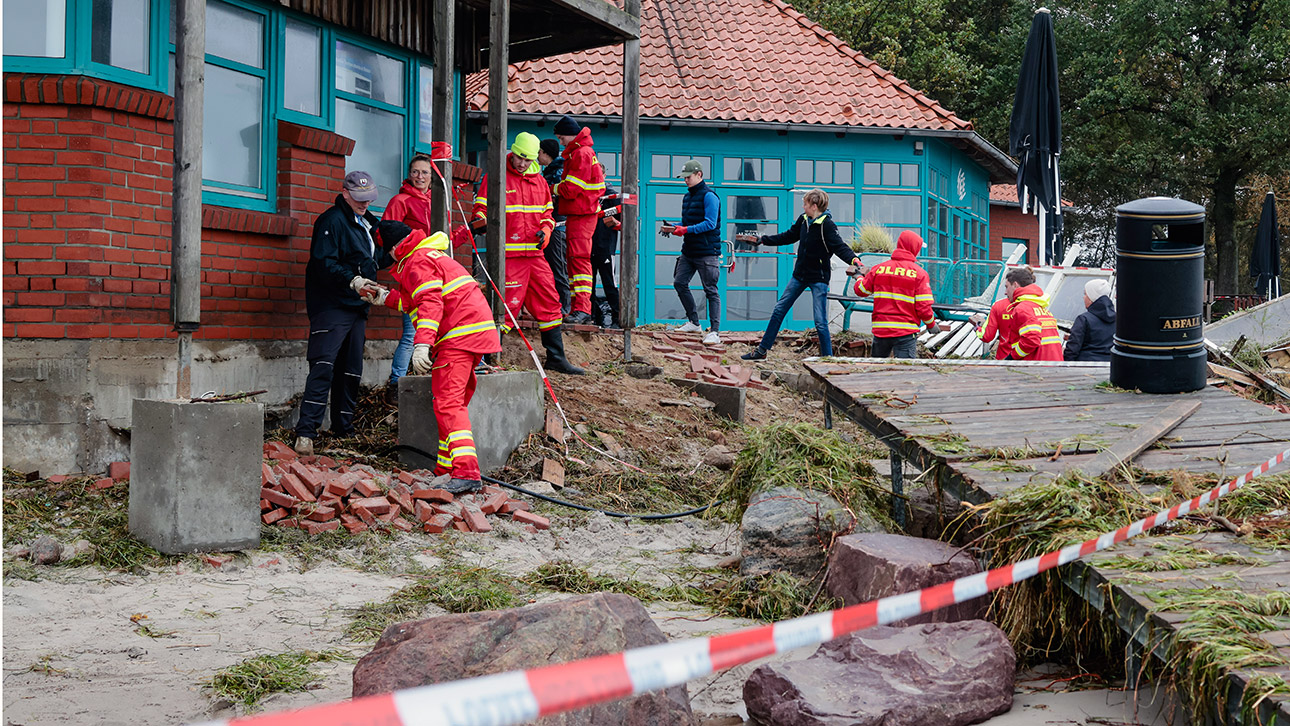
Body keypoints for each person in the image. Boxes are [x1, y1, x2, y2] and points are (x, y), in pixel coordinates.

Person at [361, 222, 501, 494]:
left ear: (392, 249)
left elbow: (429, 303)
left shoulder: (416, 262)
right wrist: (385, 297)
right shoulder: (427, 255)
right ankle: (446, 468)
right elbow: (415, 299)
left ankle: (466, 472)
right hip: (471, 333)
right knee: (451, 402)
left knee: (448, 403)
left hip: (457, 335)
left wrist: (422, 344)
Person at [294, 171, 394, 457]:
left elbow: (372, 259)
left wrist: (395, 255)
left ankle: (343, 430)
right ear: (346, 193)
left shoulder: (367, 222)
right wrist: (353, 280)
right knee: (323, 366)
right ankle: (306, 433)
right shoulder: (332, 221)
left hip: (357, 306)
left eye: (369, 199)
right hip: (332, 304)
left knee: (350, 370)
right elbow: (323, 263)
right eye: (360, 199)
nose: (365, 203)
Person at [471, 132, 585, 375]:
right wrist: (480, 222)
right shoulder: (496, 177)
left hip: (534, 256)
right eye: (519, 158)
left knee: (550, 303)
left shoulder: (540, 181)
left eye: (528, 159)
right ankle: (489, 359)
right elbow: (480, 208)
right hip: (508, 257)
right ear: (512, 152)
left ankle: (556, 358)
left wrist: (545, 228)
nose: (522, 164)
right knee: (506, 307)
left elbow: (548, 214)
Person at [739, 189, 861, 359]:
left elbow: (840, 247)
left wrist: (855, 260)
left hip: (819, 278)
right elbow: (789, 236)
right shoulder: (803, 220)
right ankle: (762, 351)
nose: (803, 207)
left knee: (820, 322)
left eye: (805, 204)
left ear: (814, 206)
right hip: (799, 275)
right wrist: (763, 240)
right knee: (779, 309)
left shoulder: (827, 225)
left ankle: (828, 359)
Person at [381, 152, 435, 386]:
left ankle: (424, 376)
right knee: (412, 329)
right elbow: (384, 235)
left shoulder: (437, 201)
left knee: (435, 324)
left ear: (432, 176)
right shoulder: (400, 201)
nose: (419, 176)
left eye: (425, 172)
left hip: (435, 268)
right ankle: (397, 381)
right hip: (413, 272)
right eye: (415, 172)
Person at [850, 230, 940, 358]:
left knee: (876, 371)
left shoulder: (879, 269)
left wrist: (859, 278)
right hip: (905, 332)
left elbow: (861, 291)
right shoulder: (919, 274)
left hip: (881, 330)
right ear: (913, 248)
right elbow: (923, 307)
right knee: (905, 371)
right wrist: (931, 324)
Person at [552, 115, 606, 325]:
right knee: (575, 261)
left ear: (568, 135)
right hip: (580, 213)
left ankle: (582, 309)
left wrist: (551, 189)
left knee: (579, 260)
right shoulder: (582, 152)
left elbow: (571, 189)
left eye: (561, 137)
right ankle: (579, 308)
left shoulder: (581, 154)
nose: (560, 142)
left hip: (582, 213)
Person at [663, 159, 722, 345]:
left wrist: (684, 230)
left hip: (707, 251)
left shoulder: (710, 196)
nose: (685, 181)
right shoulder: (687, 197)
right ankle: (694, 322)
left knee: (710, 290)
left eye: (688, 177)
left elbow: (710, 223)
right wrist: (673, 227)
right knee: (679, 283)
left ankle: (714, 332)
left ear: (699, 175)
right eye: (684, 178)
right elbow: (687, 223)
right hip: (689, 250)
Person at [999, 267, 1063, 361]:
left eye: (1007, 286)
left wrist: (1012, 357)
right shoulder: (1041, 308)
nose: (1005, 292)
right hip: (1053, 366)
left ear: (1015, 285)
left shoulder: (1022, 309)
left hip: (1036, 367)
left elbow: (1031, 340)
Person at [538, 138, 572, 317]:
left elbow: (557, 197)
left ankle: (565, 307)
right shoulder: (550, 171)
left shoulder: (558, 171)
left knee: (558, 267)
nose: (536, 157)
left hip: (557, 227)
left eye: (539, 153)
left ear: (545, 153)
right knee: (550, 268)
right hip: (550, 226)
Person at [591, 169, 622, 328]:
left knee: (609, 283)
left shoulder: (611, 194)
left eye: (598, 174)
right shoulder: (588, 191)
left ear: (604, 176)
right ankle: (592, 317)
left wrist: (611, 220)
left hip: (606, 247)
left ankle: (618, 318)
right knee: (588, 284)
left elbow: (624, 216)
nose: (595, 177)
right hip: (589, 246)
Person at [1064, 279, 1115, 361]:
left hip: (1085, 366)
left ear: (1092, 297)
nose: (1083, 297)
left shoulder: (1083, 319)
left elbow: (1072, 349)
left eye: (1085, 294)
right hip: (1109, 366)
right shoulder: (1117, 319)